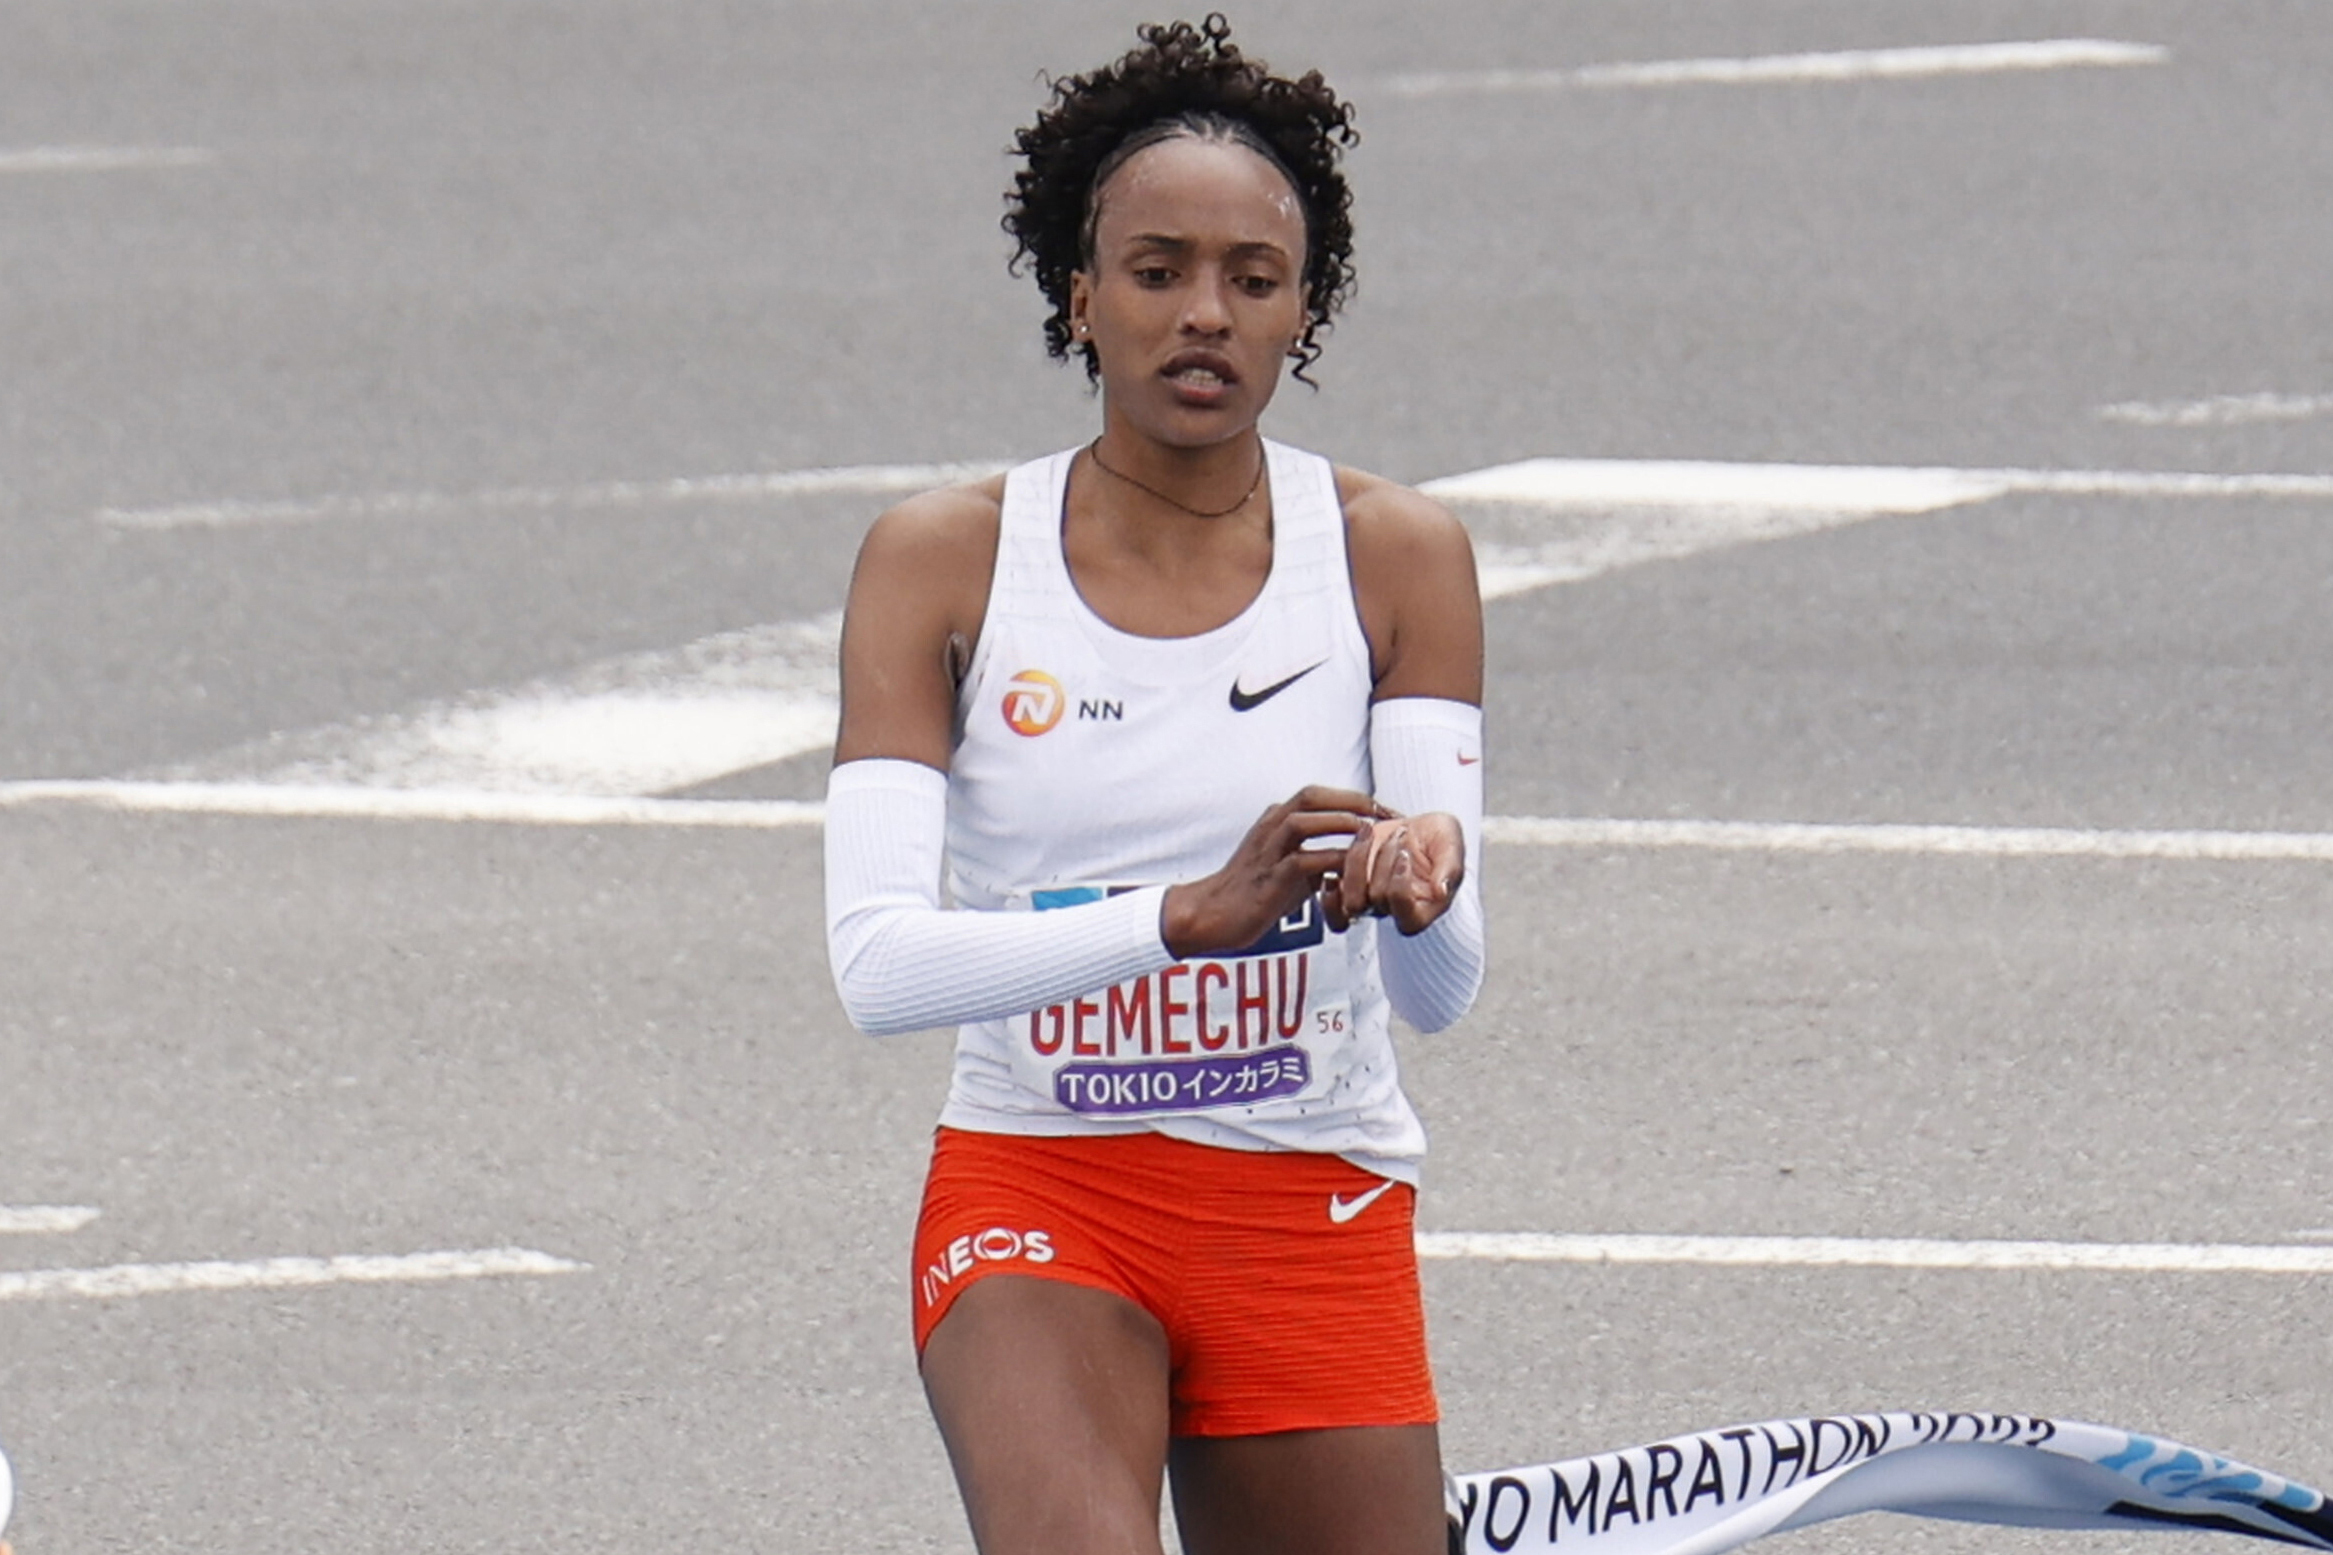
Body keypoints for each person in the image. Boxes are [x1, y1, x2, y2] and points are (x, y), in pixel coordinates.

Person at [822, 16, 1485, 1553]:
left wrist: (1417, 885)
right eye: (1156, 270)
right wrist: (1176, 918)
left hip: (1311, 1192)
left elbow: (1444, 995)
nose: (1203, 314)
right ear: (1080, 295)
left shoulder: (1397, 556)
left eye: (1251, 281)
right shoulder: (944, 557)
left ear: (1301, 311)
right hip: (1044, 1191)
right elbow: (874, 967)